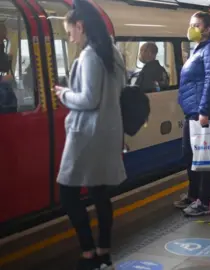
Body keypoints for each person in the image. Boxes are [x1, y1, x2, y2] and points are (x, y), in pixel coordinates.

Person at [52, 0, 127, 269]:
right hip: (107, 132)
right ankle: (103, 251)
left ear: (80, 26)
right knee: (99, 193)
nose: (70, 37)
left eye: (70, 31)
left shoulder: (90, 55)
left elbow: (88, 99)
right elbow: (115, 91)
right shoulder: (112, 52)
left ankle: (88, 252)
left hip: (87, 134)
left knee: (68, 193)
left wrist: (64, 95)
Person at [174, 11, 210, 216]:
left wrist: (204, 111)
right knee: (190, 155)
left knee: (204, 158)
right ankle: (193, 194)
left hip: (203, 113)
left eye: (197, 25)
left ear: (209, 29)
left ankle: (204, 202)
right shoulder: (199, 48)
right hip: (193, 112)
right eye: (191, 24)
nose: (192, 28)